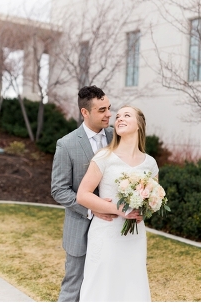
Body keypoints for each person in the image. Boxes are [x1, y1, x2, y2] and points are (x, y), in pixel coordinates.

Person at [51, 86, 137, 301]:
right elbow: (59, 189)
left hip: (113, 230)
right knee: (73, 288)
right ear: (85, 113)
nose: (109, 114)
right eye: (101, 110)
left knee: (106, 287)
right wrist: (92, 209)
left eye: (109, 108)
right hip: (80, 229)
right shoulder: (66, 144)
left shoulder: (116, 136)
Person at [75, 105, 158, 301]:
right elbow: (83, 195)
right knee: (102, 288)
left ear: (139, 124)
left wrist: (144, 210)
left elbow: (153, 201)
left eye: (126, 115)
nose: (119, 118)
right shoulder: (104, 157)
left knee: (131, 287)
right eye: (118, 116)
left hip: (134, 237)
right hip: (107, 234)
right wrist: (116, 209)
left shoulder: (150, 163)